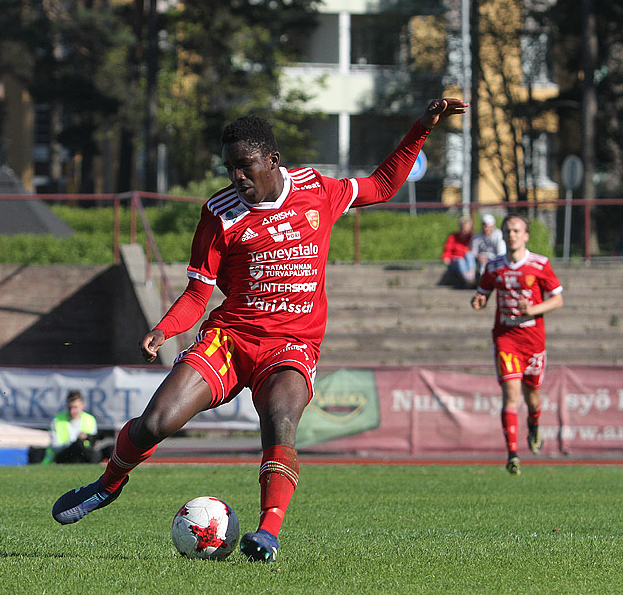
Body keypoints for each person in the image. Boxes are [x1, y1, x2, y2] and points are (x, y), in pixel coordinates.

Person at [51, 98, 469, 562]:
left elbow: (383, 185)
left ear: (272, 160)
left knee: (281, 423)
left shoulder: (316, 189)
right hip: (230, 339)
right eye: (229, 168)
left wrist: (422, 127)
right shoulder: (219, 213)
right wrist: (165, 329)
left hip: (291, 345)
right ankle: (107, 485)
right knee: (156, 422)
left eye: (245, 166)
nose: (237, 177)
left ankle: (267, 532)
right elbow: (196, 294)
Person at [471, 214, 563, 475]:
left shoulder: (540, 264)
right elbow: (482, 294)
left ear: (526, 235)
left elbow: (557, 300)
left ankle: (533, 425)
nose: (511, 235)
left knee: (532, 399)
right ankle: (512, 454)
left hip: (533, 341)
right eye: (507, 231)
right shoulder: (493, 267)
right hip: (506, 339)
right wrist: (478, 301)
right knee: (511, 395)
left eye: (516, 230)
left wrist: (533, 310)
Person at [42, 390, 101, 464]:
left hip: (83, 455)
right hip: (62, 456)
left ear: (82, 405)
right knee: (77, 444)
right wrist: (73, 442)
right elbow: (55, 448)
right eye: (70, 408)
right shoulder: (57, 420)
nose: (72, 411)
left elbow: (94, 445)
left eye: (75, 407)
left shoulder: (90, 420)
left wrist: (86, 437)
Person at [441, 215, 476, 287]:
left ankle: (471, 276)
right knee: (460, 260)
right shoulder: (453, 237)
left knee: (469, 254)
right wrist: (446, 257)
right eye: (463, 227)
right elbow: (447, 250)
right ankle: (468, 279)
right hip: (455, 262)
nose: (465, 230)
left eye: (467, 227)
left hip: (467, 263)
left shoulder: (472, 238)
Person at [470, 213, 506, 280]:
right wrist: (479, 256)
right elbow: (473, 252)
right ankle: (470, 278)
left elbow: (501, 253)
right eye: (484, 225)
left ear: (493, 226)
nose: (485, 228)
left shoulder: (499, 235)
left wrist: (490, 260)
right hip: (481, 260)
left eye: (488, 225)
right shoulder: (477, 236)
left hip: (495, 259)